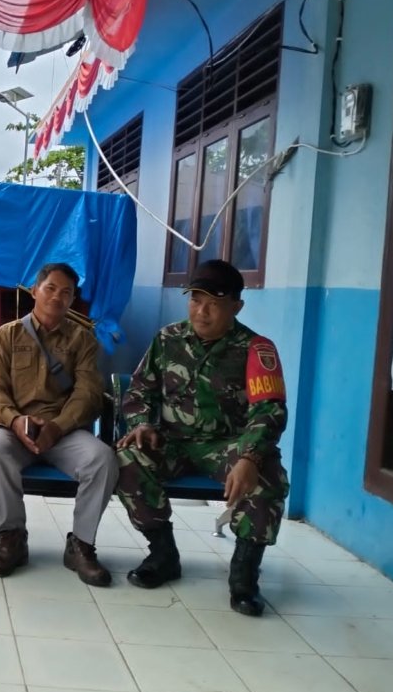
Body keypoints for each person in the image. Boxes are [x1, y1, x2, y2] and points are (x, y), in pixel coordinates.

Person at [115, 259, 289, 616]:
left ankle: (244, 576)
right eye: (195, 300)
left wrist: (250, 456)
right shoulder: (167, 339)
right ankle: (163, 554)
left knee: (268, 474)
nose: (201, 311)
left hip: (227, 445)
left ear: (236, 306)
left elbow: (269, 410)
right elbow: (140, 392)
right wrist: (142, 424)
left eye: (214, 303)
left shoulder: (256, 348)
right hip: (172, 441)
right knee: (128, 457)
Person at [0, 263, 118, 586]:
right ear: (34, 291)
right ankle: (12, 539)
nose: (57, 297)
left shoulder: (83, 341)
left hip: (64, 432)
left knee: (102, 459)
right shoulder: (7, 335)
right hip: (15, 430)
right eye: (50, 288)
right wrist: (15, 420)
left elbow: (88, 394)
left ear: (72, 300)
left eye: (66, 292)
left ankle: (81, 545)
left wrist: (57, 427)